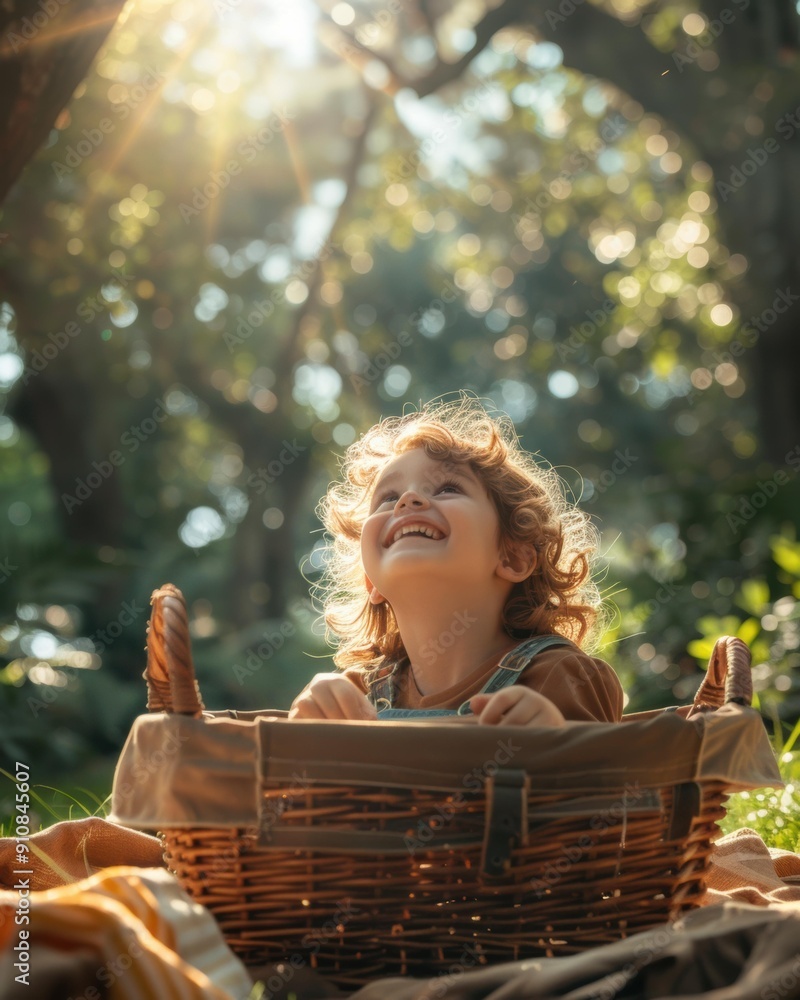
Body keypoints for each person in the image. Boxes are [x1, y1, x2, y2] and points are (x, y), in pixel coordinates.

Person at [289, 395, 623, 726]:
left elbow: (607, 778)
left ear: (513, 558)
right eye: (389, 497)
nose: (408, 500)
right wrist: (302, 726)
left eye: (448, 488)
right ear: (371, 582)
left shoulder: (558, 675)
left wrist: (554, 744)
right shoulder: (352, 698)